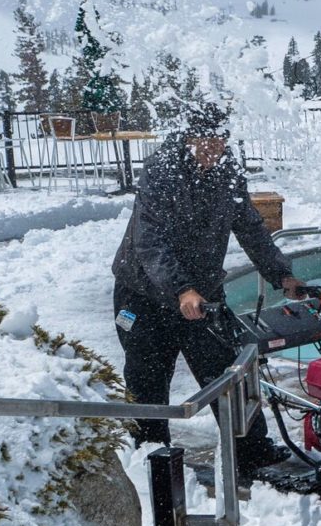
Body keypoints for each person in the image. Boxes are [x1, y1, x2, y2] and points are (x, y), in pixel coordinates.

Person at [110, 103, 304, 482]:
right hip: (144, 295)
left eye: (220, 141)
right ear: (188, 137)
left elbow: (250, 227)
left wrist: (282, 275)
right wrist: (182, 289)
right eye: (206, 141)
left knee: (227, 370)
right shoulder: (161, 170)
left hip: (202, 295)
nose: (214, 149)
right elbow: (150, 241)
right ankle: (154, 460)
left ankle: (251, 451)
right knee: (148, 379)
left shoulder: (227, 172)